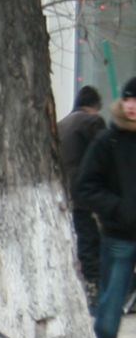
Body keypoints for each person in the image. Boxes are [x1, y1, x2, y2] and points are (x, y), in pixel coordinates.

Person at [73, 76, 136, 338]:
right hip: (120, 237)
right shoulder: (107, 142)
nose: (133, 106)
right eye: (129, 99)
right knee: (110, 311)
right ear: (122, 103)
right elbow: (85, 187)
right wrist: (118, 209)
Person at [60, 85, 107, 296]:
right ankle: (93, 287)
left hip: (63, 196)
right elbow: (107, 154)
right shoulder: (92, 121)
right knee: (90, 242)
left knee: (78, 242)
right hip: (86, 196)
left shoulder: (60, 125)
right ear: (94, 106)